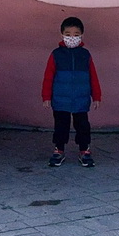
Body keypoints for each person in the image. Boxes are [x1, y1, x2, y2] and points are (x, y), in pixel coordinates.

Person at [41, 16, 102, 168]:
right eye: (68, 34)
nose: (72, 38)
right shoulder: (56, 54)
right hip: (60, 100)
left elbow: (93, 77)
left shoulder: (85, 55)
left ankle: (84, 151)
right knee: (61, 126)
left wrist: (97, 96)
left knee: (82, 126)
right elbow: (48, 77)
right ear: (62, 35)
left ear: (81, 35)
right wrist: (46, 97)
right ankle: (59, 150)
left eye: (76, 34)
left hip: (81, 100)